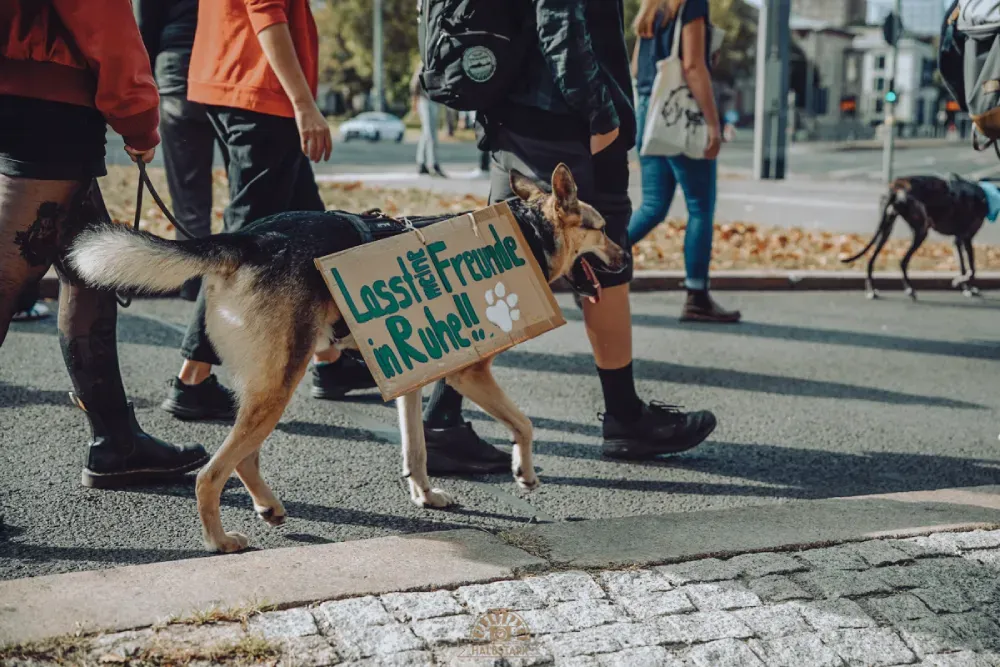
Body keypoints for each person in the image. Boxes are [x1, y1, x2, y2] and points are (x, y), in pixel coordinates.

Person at [419, 0, 719, 471]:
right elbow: (557, 17)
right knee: (600, 256)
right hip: (563, 116)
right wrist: (599, 112)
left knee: (502, 263)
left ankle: (440, 419)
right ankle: (624, 418)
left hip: (515, 110)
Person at [0, 0, 209, 488]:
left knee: (91, 268)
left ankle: (117, 442)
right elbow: (98, 13)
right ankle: (118, 442)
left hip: (27, 85)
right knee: (7, 276)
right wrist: (138, 112)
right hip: (48, 95)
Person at [162, 0, 377, 420]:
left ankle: (330, 363)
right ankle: (192, 377)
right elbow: (266, 12)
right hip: (260, 94)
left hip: (235, 81)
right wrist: (304, 105)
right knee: (242, 244)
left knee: (316, 230)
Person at [627, 0, 740, 323]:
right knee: (700, 207)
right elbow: (692, 67)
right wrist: (713, 125)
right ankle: (697, 297)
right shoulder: (691, 5)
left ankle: (590, 264)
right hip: (679, 113)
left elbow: (637, 68)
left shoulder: (650, 9)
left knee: (652, 206)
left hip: (649, 111)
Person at [134, 0, 226, 303]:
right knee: (242, 189)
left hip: (177, 71)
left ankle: (193, 283)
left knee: (188, 194)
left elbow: (145, 25)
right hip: (224, 65)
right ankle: (232, 281)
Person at [412, 65, 447, 178]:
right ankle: (433, 164)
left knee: (426, 133)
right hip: (425, 101)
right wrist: (415, 102)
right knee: (431, 134)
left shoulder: (439, 63)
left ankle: (421, 163)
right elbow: (415, 84)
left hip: (434, 101)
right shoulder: (424, 64)